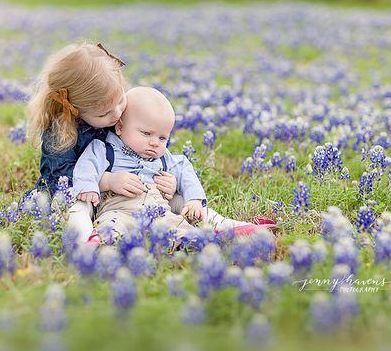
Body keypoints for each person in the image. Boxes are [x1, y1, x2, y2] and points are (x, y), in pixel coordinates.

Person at [73, 86, 275, 241]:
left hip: (159, 210)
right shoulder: (104, 149)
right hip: (119, 208)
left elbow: (184, 169)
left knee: (179, 227)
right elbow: (85, 167)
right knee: (112, 229)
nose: (154, 142)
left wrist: (194, 199)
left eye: (163, 138)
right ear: (119, 127)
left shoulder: (163, 157)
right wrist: (102, 183)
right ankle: (100, 245)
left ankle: (217, 234)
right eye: (146, 133)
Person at [27, 43, 179, 243]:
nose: (117, 114)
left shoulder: (117, 113)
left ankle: (211, 222)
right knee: (75, 206)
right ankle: (85, 237)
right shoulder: (60, 132)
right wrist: (106, 181)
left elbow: (146, 147)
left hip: (124, 192)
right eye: (104, 113)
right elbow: (59, 178)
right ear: (75, 110)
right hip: (82, 192)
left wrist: (169, 179)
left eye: (119, 101)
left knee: (175, 197)